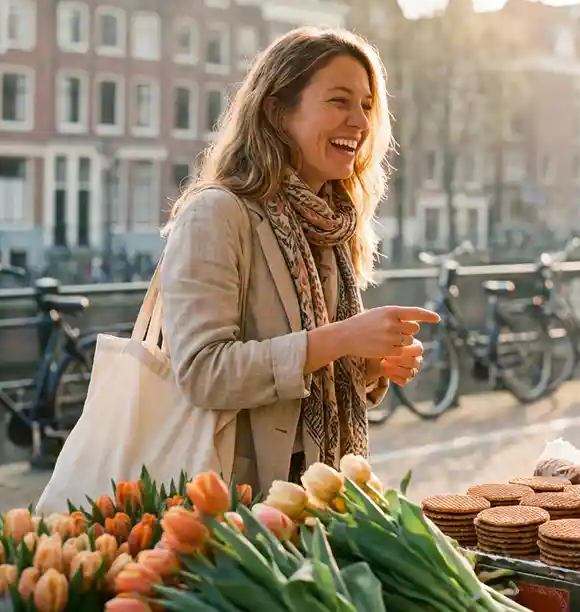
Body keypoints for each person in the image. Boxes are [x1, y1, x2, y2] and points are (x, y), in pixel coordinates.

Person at [159, 26, 440, 495]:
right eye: (339, 101)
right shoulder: (217, 214)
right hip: (238, 504)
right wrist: (343, 337)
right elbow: (204, 373)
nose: (361, 122)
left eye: (367, 106)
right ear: (277, 111)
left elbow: (316, 370)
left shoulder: (331, 224)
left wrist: (369, 365)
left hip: (320, 497)